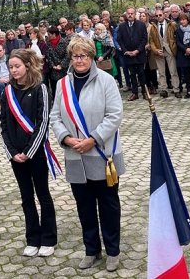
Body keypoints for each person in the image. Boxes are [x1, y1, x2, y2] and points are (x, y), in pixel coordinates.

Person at [50, 36, 125, 272]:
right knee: (84, 207)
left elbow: (114, 115)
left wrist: (92, 139)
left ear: (92, 56)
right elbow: (55, 116)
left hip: (102, 155)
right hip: (75, 156)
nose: (79, 60)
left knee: (108, 205)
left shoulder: (106, 81)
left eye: (83, 55)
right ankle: (91, 249)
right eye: (75, 55)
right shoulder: (62, 84)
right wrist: (67, 138)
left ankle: (112, 251)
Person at [0, 49, 57, 258]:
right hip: (16, 156)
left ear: (27, 66)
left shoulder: (40, 88)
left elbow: (43, 123)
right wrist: (12, 152)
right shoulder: (7, 92)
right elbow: (3, 124)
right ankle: (32, 238)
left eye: (17, 66)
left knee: (43, 195)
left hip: (36, 153)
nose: (14, 70)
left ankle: (49, 239)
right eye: (11, 66)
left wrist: (29, 152)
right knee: (26, 197)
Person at [117, 7, 148, 101]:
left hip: (139, 53)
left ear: (135, 15)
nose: (130, 15)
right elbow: (120, 39)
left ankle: (144, 92)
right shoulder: (122, 26)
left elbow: (144, 39)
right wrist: (125, 51)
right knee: (132, 74)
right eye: (128, 13)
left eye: (132, 13)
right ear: (126, 15)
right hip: (128, 54)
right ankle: (135, 93)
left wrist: (138, 50)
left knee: (141, 73)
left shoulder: (141, 25)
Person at [153, 9, 179, 97]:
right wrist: (155, 50)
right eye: (156, 16)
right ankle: (164, 89)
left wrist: (174, 47)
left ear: (164, 15)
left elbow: (176, 36)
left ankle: (176, 89)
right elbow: (151, 40)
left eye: (160, 15)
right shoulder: (153, 26)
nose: (158, 17)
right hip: (158, 50)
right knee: (161, 72)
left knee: (173, 71)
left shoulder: (171, 24)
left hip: (169, 49)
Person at [46, 25, 70, 91]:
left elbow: (67, 55)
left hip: (63, 71)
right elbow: (48, 55)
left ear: (54, 34)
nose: (48, 36)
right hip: (53, 71)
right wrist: (53, 65)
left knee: (64, 89)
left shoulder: (64, 42)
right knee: (54, 89)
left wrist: (61, 65)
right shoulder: (48, 43)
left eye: (49, 34)